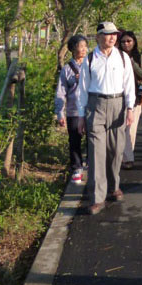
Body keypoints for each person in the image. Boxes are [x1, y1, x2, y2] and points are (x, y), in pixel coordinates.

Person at [77, 21, 135, 215]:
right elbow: (83, 89)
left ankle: (114, 186)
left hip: (118, 105)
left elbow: (129, 85)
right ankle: (97, 197)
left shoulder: (123, 58)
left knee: (116, 150)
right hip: (96, 106)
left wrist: (130, 108)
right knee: (96, 152)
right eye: (108, 34)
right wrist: (80, 115)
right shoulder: (90, 59)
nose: (112, 37)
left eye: (114, 34)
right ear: (98, 36)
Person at [55, 34, 89, 183]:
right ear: (72, 49)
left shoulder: (91, 64)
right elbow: (60, 92)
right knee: (74, 140)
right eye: (79, 46)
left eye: (84, 46)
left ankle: (92, 165)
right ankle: (76, 168)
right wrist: (59, 113)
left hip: (91, 109)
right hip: (73, 110)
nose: (83, 49)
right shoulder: (67, 69)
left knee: (93, 139)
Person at [117, 31, 142, 170]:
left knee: (131, 128)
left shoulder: (137, 56)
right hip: (119, 95)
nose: (126, 44)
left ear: (134, 42)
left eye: (129, 41)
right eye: (123, 41)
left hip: (136, 95)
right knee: (123, 128)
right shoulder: (116, 56)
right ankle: (127, 156)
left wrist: (132, 63)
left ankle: (128, 156)